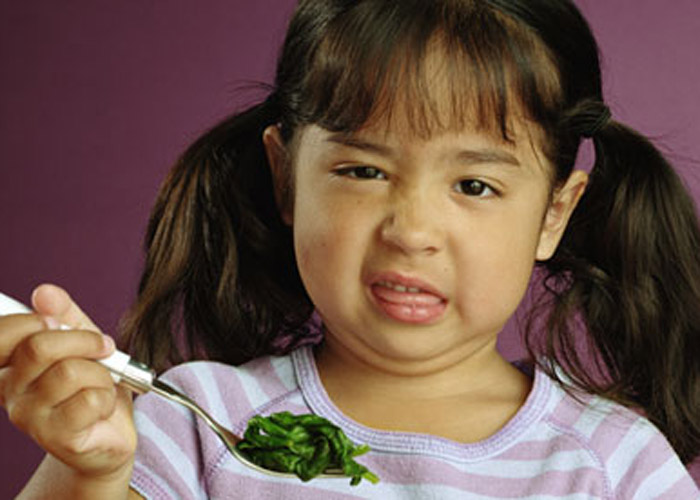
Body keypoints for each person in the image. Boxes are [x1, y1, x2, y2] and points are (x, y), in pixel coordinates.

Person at [1, 0, 699, 497]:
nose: (411, 231)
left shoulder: (615, 464)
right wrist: (87, 472)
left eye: (474, 186)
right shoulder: (196, 425)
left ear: (553, 215)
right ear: (286, 178)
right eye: (364, 171)